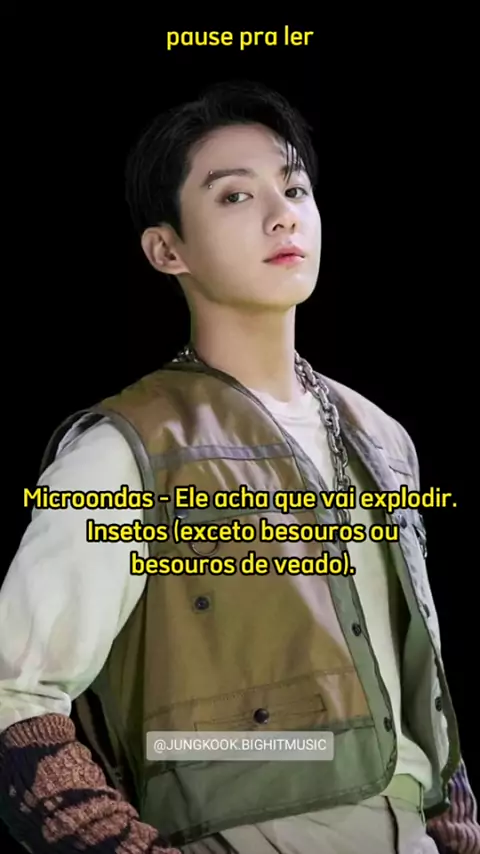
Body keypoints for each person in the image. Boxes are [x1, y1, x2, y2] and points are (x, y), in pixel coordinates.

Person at [0, 80, 477, 854]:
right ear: (168, 250)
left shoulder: (383, 440)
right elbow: (13, 692)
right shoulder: (129, 449)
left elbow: (417, 685)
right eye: (234, 196)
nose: (282, 214)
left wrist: (452, 826)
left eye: (295, 189)